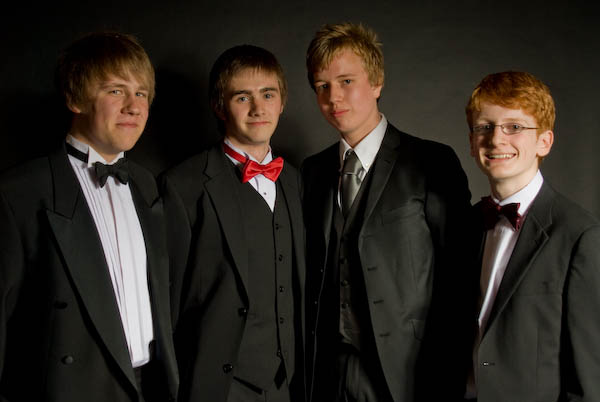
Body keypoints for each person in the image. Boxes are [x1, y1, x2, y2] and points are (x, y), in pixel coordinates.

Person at [0, 32, 178, 402]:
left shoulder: (147, 184)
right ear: (74, 98)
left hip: (151, 388)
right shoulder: (20, 192)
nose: (133, 106)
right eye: (116, 90)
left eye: (141, 93)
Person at [302, 22, 472, 402]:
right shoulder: (312, 172)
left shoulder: (432, 162)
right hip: (327, 377)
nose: (333, 97)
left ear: (377, 83)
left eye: (346, 81)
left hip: (408, 375)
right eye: (322, 86)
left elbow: (458, 281)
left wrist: (448, 381)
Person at [160, 45, 305, 402]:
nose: (258, 108)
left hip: (289, 385)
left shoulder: (297, 181)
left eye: (268, 94)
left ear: (282, 102)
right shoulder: (182, 185)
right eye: (243, 97)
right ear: (219, 106)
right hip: (218, 386)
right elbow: (167, 306)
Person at [464, 71, 600, 401]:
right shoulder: (465, 224)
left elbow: (589, 379)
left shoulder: (579, 234)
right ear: (472, 141)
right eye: (485, 127)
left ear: (544, 142)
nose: (496, 139)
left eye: (514, 127)